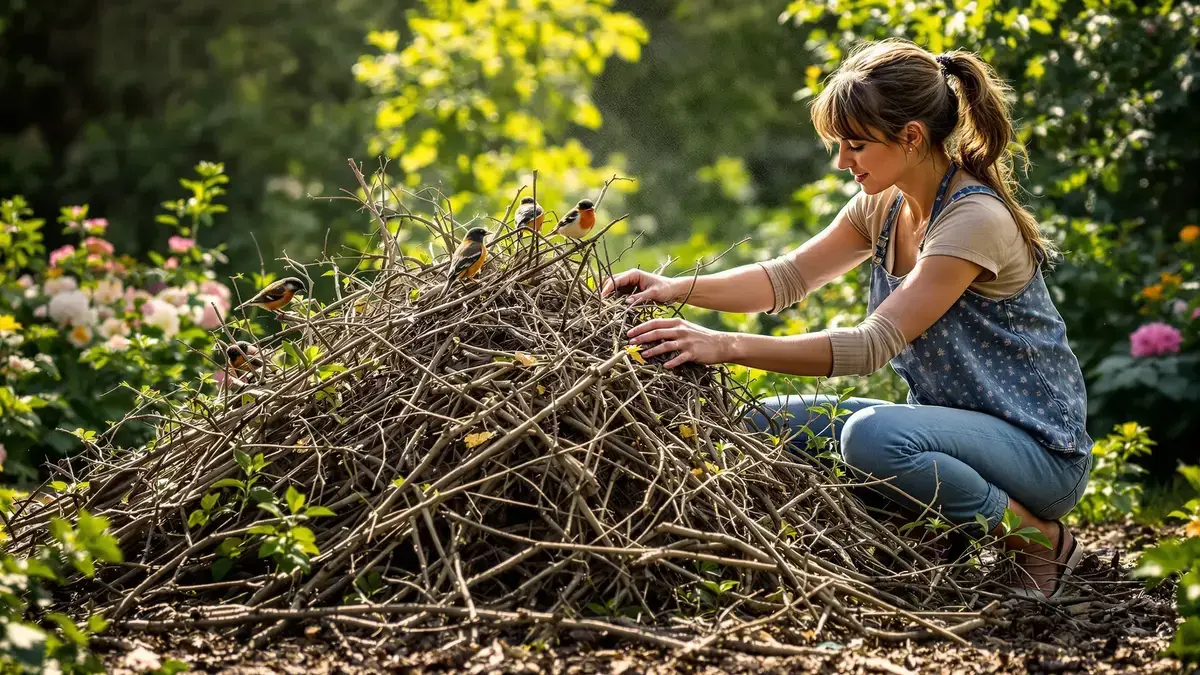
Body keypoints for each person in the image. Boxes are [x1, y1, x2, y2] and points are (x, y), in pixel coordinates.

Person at [600, 38, 1093, 599]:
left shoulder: (974, 218)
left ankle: (1033, 538)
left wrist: (725, 345)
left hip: (1040, 456)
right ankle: (929, 538)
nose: (842, 162)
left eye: (855, 145)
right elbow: (786, 279)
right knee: (758, 423)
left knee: (870, 438)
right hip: (947, 433)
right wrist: (674, 289)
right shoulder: (883, 205)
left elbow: (871, 345)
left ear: (910, 137)